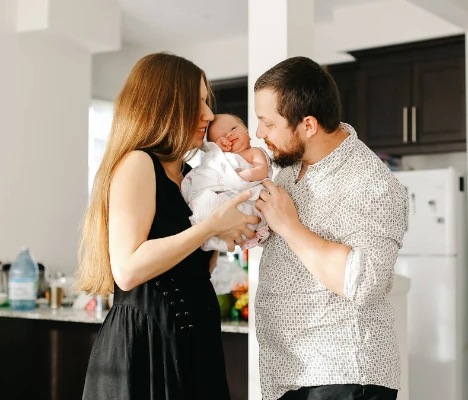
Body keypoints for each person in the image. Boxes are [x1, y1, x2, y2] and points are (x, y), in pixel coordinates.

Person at [75, 52, 260, 400]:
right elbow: (127, 270)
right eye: (198, 102)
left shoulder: (193, 179)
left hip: (194, 338)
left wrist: (227, 231)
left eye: (207, 102)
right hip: (147, 345)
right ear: (164, 106)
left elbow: (194, 265)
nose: (209, 115)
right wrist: (210, 227)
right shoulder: (138, 163)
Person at [253, 56, 409, 400]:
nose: (260, 134)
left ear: (308, 125)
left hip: (343, 375)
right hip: (289, 371)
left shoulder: (372, 184)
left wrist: (289, 226)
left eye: (267, 123)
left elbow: (366, 281)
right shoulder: (292, 169)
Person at [181, 113, 271, 252]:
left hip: (245, 196)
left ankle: (240, 235)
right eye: (220, 137)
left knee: (254, 211)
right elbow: (210, 169)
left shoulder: (254, 152)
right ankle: (207, 237)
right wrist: (217, 152)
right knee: (205, 203)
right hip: (223, 194)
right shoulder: (221, 158)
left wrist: (247, 175)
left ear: (247, 132)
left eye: (233, 128)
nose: (229, 135)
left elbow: (262, 169)